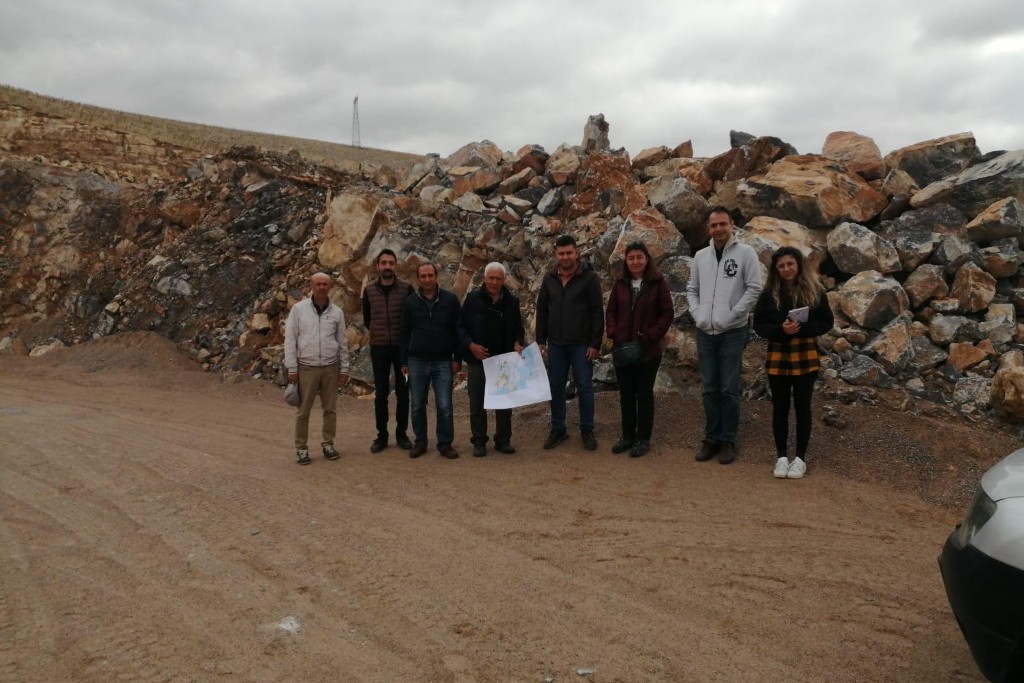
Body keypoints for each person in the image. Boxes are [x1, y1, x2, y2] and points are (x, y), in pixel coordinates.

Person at [686, 207, 763, 464]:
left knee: (728, 388)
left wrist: (732, 315)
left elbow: (753, 288)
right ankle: (711, 437)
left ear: (732, 225)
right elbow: (692, 289)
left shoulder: (745, 253)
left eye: (722, 224)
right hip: (705, 331)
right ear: (708, 228)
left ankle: (728, 439)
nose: (718, 229)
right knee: (709, 387)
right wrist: (697, 314)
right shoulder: (701, 256)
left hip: (732, 331)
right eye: (713, 225)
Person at [753, 246, 834, 479]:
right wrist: (781, 329)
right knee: (779, 407)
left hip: (805, 355)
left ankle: (800, 457)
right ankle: (781, 456)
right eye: (781, 266)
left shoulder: (815, 290)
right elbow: (759, 326)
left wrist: (799, 329)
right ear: (775, 269)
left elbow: (826, 322)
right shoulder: (768, 294)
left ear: (798, 265)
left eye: (790, 264)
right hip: (778, 356)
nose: (786, 269)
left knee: (802, 407)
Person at [605, 241, 674, 458]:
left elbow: (667, 313)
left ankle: (643, 438)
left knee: (644, 395)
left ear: (646, 259)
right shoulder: (620, 283)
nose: (635, 261)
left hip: (647, 351)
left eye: (639, 257)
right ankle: (627, 436)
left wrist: (651, 335)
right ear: (626, 260)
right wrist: (614, 331)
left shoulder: (658, 283)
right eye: (631, 258)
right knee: (626, 395)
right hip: (623, 348)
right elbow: (611, 310)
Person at [535, 234, 604, 451]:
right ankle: (558, 429)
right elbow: (543, 309)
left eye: (569, 253)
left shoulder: (589, 278)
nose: (565, 257)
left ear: (576, 253)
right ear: (556, 254)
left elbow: (596, 312)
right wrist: (540, 339)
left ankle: (587, 429)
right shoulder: (549, 278)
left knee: (584, 387)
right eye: (561, 253)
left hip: (581, 344)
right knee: (554, 387)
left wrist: (595, 343)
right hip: (555, 344)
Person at [459, 262, 526, 457]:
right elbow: (460, 328)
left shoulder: (512, 302)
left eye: (498, 278)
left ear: (504, 280)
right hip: (478, 359)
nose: (495, 282)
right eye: (491, 278)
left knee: (504, 403)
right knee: (477, 402)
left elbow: (518, 329)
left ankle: (503, 440)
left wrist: (517, 342)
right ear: (484, 279)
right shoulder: (472, 300)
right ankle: (479, 441)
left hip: (503, 360)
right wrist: (471, 346)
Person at [284, 272, 351, 465]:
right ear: (311, 286)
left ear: (330, 287)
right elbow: (290, 340)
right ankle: (301, 448)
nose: (322, 287)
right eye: (318, 284)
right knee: (303, 411)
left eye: (325, 284)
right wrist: (292, 368)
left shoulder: (337, 313)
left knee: (330, 409)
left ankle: (328, 443)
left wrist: (344, 368)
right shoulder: (298, 310)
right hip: (306, 368)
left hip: (331, 367)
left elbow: (342, 342)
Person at [401, 263, 465, 460]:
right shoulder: (410, 302)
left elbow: (458, 330)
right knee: (417, 404)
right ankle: (420, 441)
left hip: (443, 360)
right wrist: (403, 361)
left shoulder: (450, 300)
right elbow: (404, 333)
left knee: (445, 405)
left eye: (430, 275)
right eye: (423, 276)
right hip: (416, 360)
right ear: (418, 278)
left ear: (436, 276)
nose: (427, 280)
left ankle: (445, 443)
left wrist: (457, 358)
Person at [361, 248, 414, 453]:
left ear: (396, 265)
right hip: (379, 348)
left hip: (402, 349)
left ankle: (402, 434)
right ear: (377, 266)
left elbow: (410, 317)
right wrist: (378, 333)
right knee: (381, 393)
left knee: (403, 393)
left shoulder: (406, 288)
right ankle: (381, 436)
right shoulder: (369, 290)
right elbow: (368, 319)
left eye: (391, 263)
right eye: (384, 263)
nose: (387, 266)